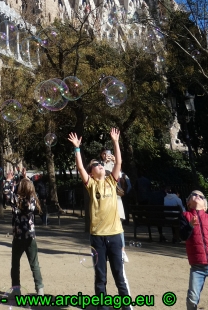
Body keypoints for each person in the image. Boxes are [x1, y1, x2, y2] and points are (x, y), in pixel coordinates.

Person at [68, 128, 130, 304]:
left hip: (115, 235)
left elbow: (118, 163)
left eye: (100, 164)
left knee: (119, 276)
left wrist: (115, 142)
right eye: (95, 165)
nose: (99, 165)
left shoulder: (111, 181)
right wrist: (77, 148)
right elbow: (80, 166)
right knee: (100, 277)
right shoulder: (91, 185)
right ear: (91, 172)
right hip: (97, 238)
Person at [4, 172, 44, 296]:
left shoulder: (16, 200)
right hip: (30, 237)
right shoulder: (33, 200)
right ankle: (40, 289)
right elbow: (30, 189)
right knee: (34, 264)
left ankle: (16, 289)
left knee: (15, 265)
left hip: (18, 237)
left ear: (20, 188)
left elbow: (6, 192)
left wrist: (9, 180)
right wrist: (25, 178)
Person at [180, 190, 208, 310]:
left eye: (201, 196)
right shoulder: (185, 216)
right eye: (194, 195)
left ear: (205, 206)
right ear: (188, 203)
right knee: (192, 297)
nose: (197, 196)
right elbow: (182, 236)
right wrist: (190, 225)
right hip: (197, 267)